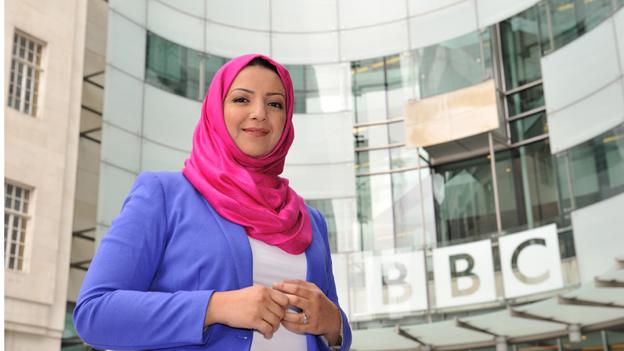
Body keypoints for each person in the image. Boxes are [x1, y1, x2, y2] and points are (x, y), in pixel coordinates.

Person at [73, 54, 352, 351]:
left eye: (274, 104)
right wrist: (215, 307)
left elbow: (331, 333)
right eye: (242, 99)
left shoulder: (310, 220)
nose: (259, 113)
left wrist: (335, 324)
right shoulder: (165, 195)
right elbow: (95, 313)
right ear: (216, 111)